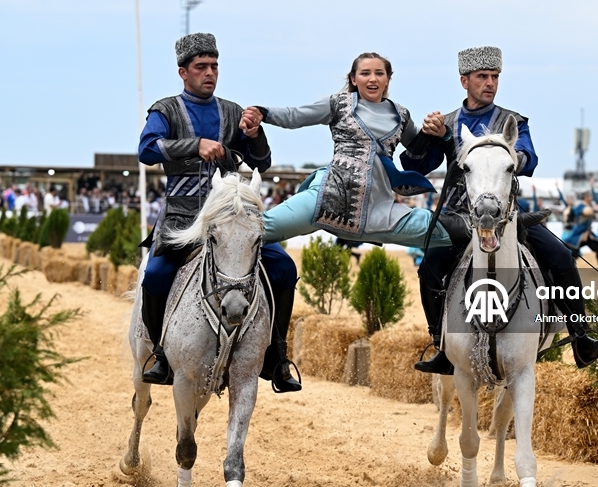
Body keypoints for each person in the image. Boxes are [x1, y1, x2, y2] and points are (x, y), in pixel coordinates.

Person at [400, 46, 598, 372]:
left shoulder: (512, 122)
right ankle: (442, 345)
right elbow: (418, 165)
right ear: (464, 81)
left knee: (561, 256)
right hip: (458, 214)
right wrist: (429, 137)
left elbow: (529, 159)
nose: (490, 83)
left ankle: (581, 339)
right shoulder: (448, 123)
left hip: (507, 212)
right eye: (482, 77)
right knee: (430, 265)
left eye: (494, 77)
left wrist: (507, 154)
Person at [137, 32, 301, 392]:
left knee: (284, 268)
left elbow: (263, 162)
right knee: (155, 276)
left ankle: (277, 355)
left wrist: (254, 134)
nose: (209, 73)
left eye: (214, 66)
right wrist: (195, 145)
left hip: (232, 219)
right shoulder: (165, 110)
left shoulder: (231, 110)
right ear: (183, 72)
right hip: (182, 219)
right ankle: (162, 355)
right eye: (201, 67)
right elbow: (148, 149)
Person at [240, 52, 452, 249]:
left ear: (387, 79)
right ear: (353, 79)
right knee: (254, 229)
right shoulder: (337, 105)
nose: (372, 79)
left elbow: (419, 152)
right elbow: (296, 116)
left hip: (380, 209)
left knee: (444, 233)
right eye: (365, 73)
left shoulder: (401, 115)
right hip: (326, 199)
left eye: (379, 73)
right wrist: (263, 113)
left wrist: (439, 132)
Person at [562, 182, 598, 273]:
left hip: (587, 235)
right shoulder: (581, 206)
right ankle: (568, 270)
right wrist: (595, 210)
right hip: (579, 235)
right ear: (586, 197)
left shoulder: (585, 206)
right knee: (574, 254)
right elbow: (585, 212)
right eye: (590, 196)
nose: (591, 198)